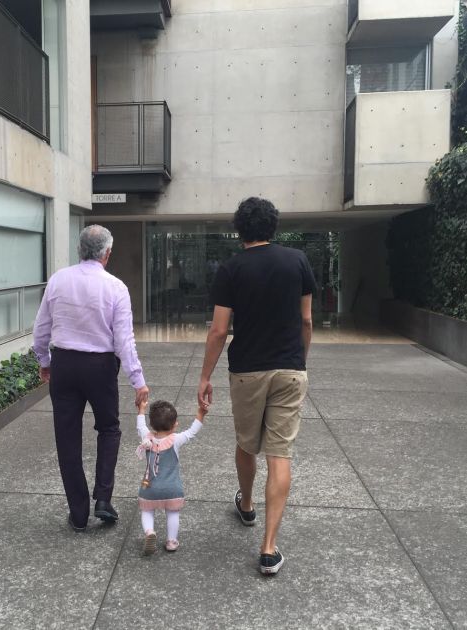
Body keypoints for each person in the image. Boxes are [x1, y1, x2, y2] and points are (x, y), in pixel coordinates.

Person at [196, 197, 315, 576]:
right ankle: (268, 549)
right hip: (290, 369)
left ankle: (246, 505)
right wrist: (299, 359)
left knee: (247, 443)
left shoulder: (231, 268)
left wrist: (205, 377)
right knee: (280, 455)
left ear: (240, 230)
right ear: (273, 226)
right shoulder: (298, 261)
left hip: (247, 370)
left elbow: (219, 331)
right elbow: (306, 321)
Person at [33, 225, 149, 531]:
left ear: (79, 250)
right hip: (100, 366)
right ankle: (103, 499)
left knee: (67, 437)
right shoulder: (116, 287)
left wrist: (44, 361)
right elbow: (124, 340)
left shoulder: (58, 280)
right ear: (107, 253)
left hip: (64, 364)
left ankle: (79, 513)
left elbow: (41, 328)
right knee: (109, 428)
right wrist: (137, 380)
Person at [135, 399, 207, 555]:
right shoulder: (175, 440)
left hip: (150, 488)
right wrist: (200, 414)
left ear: (152, 424)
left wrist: (141, 410)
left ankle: (149, 531)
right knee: (173, 513)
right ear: (174, 425)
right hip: (172, 489)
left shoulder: (147, 438)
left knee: (147, 510)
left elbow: (140, 426)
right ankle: (172, 541)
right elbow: (191, 432)